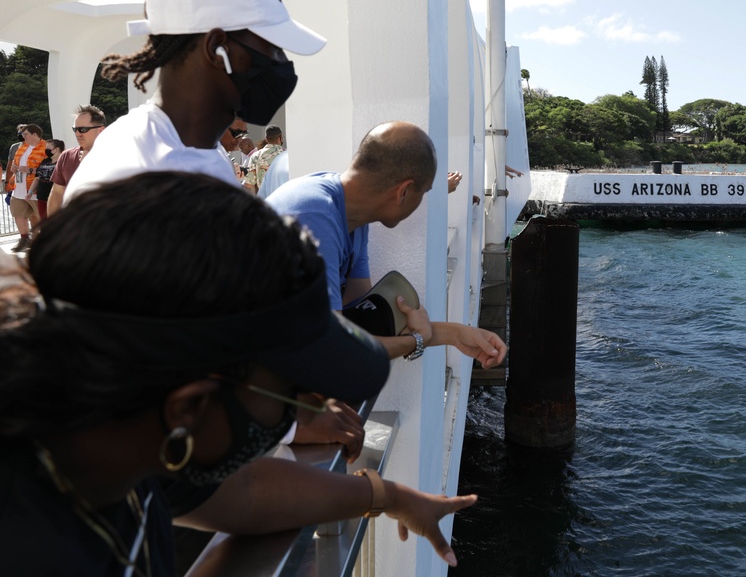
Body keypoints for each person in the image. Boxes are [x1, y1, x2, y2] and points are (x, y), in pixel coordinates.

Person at [0, 171, 477, 575]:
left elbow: (246, 492)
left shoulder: (110, 425)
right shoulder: (42, 548)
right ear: (189, 405)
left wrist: (388, 494)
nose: (314, 405)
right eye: (293, 392)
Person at [62, 0, 326, 205]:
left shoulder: (198, 149)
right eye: (272, 47)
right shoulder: (139, 170)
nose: (279, 61)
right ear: (215, 48)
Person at [267, 121, 507, 367]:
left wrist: (454, 334)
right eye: (423, 193)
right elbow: (330, 348)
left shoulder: (350, 218)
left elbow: (359, 319)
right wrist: (417, 341)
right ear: (404, 192)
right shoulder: (314, 219)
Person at [46, 105, 106, 217]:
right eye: (75, 129)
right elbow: (57, 194)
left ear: (101, 130)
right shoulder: (66, 156)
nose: (78, 134)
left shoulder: (118, 156)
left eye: (83, 129)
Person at [6, 124, 47, 252]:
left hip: (35, 190)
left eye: (25, 134)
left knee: (41, 217)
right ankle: (24, 239)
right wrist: (14, 168)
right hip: (18, 188)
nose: (22, 137)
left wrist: (31, 170)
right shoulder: (21, 147)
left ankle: (45, 241)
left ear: (35, 135)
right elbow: (14, 163)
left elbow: (50, 169)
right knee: (18, 214)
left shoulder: (47, 148)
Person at [25, 138, 64, 220]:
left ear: (56, 149)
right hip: (42, 197)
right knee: (44, 223)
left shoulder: (64, 161)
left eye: (47, 148)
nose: (45, 150)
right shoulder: (44, 161)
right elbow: (37, 178)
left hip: (57, 198)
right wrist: (30, 192)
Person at [243, 124, 284, 194]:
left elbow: (250, 184)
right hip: (282, 196)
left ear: (266, 139)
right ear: (280, 138)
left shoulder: (256, 156)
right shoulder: (286, 155)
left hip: (264, 198)